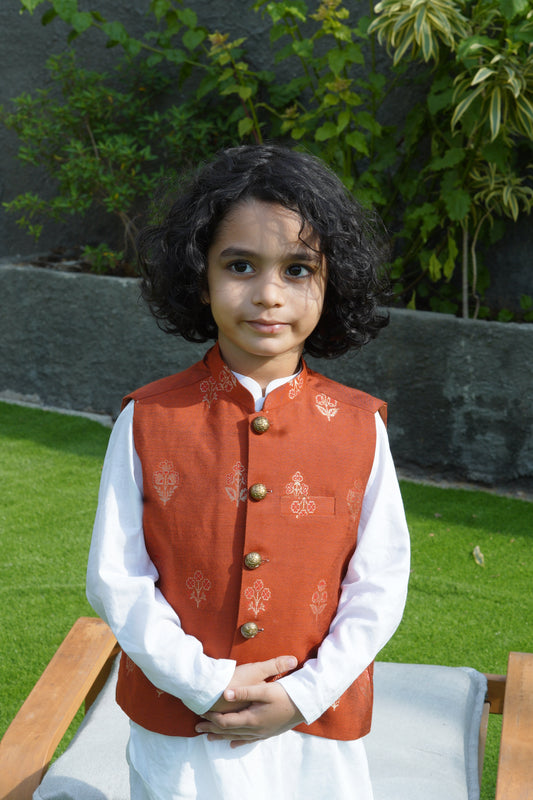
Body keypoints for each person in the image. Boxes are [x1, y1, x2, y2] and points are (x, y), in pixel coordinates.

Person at [86, 144, 410, 800]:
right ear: (200, 277)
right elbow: (117, 579)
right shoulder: (147, 419)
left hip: (314, 732)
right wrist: (206, 683)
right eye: (240, 266)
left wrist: (304, 694)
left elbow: (379, 582)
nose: (268, 295)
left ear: (332, 282)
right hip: (183, 732)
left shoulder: (360, 426)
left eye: (297, 269)